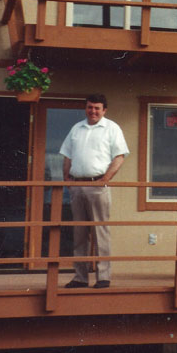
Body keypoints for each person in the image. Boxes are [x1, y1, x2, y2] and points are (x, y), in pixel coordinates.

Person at [60, 93, 129, 289]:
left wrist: (105, 179)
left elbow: (119, 157)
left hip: (98, 186)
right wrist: (67, 177)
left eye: (97, 108)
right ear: (86, 108)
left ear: (104, 110)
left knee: (100, 232)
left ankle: (103, 277)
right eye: (90, 107)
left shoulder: (111, 128)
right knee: (79, 233)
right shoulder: (77, 129)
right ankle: (80, 277)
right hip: (77, 186)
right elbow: (67, 155)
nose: (93, 111)